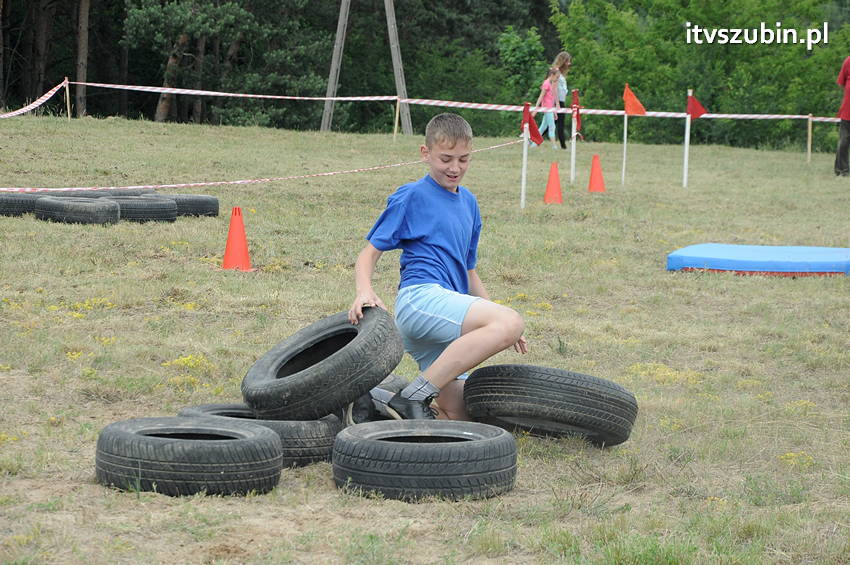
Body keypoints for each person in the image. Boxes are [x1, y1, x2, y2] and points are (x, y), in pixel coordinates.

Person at [347, 113, 528, 421]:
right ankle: (413, 395)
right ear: (425, 153)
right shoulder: (412, 195)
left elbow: (468, 270)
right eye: (446, 159)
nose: (455, 168)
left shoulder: (469, 203)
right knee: (509, 321)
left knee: (458, 415)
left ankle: (377, 401)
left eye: (463, 159)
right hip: (421, 301)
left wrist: (500, 320)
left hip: (447, 320)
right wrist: (364, 291)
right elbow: (369, 253)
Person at [532, 68, 560, 149]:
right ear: (552, 75)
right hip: (547, 109)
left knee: (543, 127)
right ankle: (554, 146)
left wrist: (554, 111)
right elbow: (541, 96)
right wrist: (536, 109)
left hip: (550, 108)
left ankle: (533, 144)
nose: (557, 79)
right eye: (556, 77)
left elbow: (551, 99)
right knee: (552, 126)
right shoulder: (546, 83)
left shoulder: (551, 83)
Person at [552, 52, 572, 149]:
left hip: (561, 100)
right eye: (567, 61)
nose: (569, 64)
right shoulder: (556, 72)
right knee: (558, 124)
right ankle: (563, 146)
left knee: (554, 123)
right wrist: (556, 104)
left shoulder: (561, 74)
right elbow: (554, 88)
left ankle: (534, 138)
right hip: (557, 101)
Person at [835, 55, 850, 176]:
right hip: (847, 111)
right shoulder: (848, 61)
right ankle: (842, 170)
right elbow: (841, 82)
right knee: (844, 141)